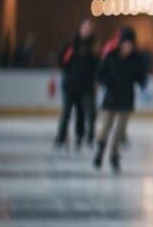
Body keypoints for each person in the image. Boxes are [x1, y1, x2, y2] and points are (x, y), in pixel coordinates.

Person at [93, 27, 147, 173]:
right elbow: (100, 74)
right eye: (125, 43)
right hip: (110, 97)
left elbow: (141, 75)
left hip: (126, 99)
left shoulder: (136, 59)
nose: (128, 46)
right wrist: (107, 82)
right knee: (105, 127)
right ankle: (100, 149)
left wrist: (142, 82)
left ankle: (114, 156)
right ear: (121, 43)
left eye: (130, 44)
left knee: (119, 131)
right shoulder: (111, 56)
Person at [55, 19, 99, 149]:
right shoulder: (71, 44)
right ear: (80, 28)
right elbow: (61, 61)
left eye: (89, 28)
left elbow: (97, 65)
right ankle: (61, 137)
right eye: (85, 27)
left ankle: (80, 136)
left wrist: (94, 80)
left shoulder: (94, 47)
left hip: (86, 87)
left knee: (83, 113)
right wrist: (69, 73)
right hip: (70, 86)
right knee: (66, 112)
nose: (87, 30)